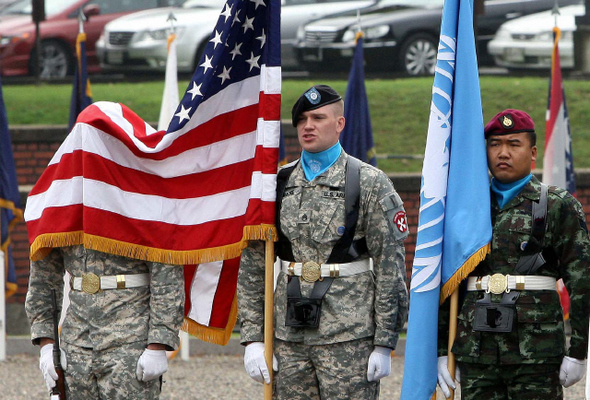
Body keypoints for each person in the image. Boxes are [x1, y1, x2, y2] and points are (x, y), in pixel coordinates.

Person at [237, 84, 409, 399]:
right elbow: (253, 266)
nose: (308, 126)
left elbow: (390, 267)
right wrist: (253, 339)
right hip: (289, 337)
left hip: (349, 336)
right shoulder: (277, 184)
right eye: (301, 119)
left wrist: (385, 341)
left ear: (340, 123)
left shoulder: (369, 182)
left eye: (318, 117)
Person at [437, 109, 590, 399]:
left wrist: (579, 352)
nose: (503, 153)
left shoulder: (558, 205)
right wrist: (441, 350)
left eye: (513, 144)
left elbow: (581, 283)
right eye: (495, 144)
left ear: (532, 152)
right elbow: (448, 280)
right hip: (476, 349)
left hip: (536, 352)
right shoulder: (467, 206)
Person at [25, 246, 185, 399]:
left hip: (131, 344)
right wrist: (46, 344)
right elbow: (43, 278)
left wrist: (158, 344)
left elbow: (167, 275)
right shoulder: (62, 217)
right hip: (75, 345)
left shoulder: (145, 216)